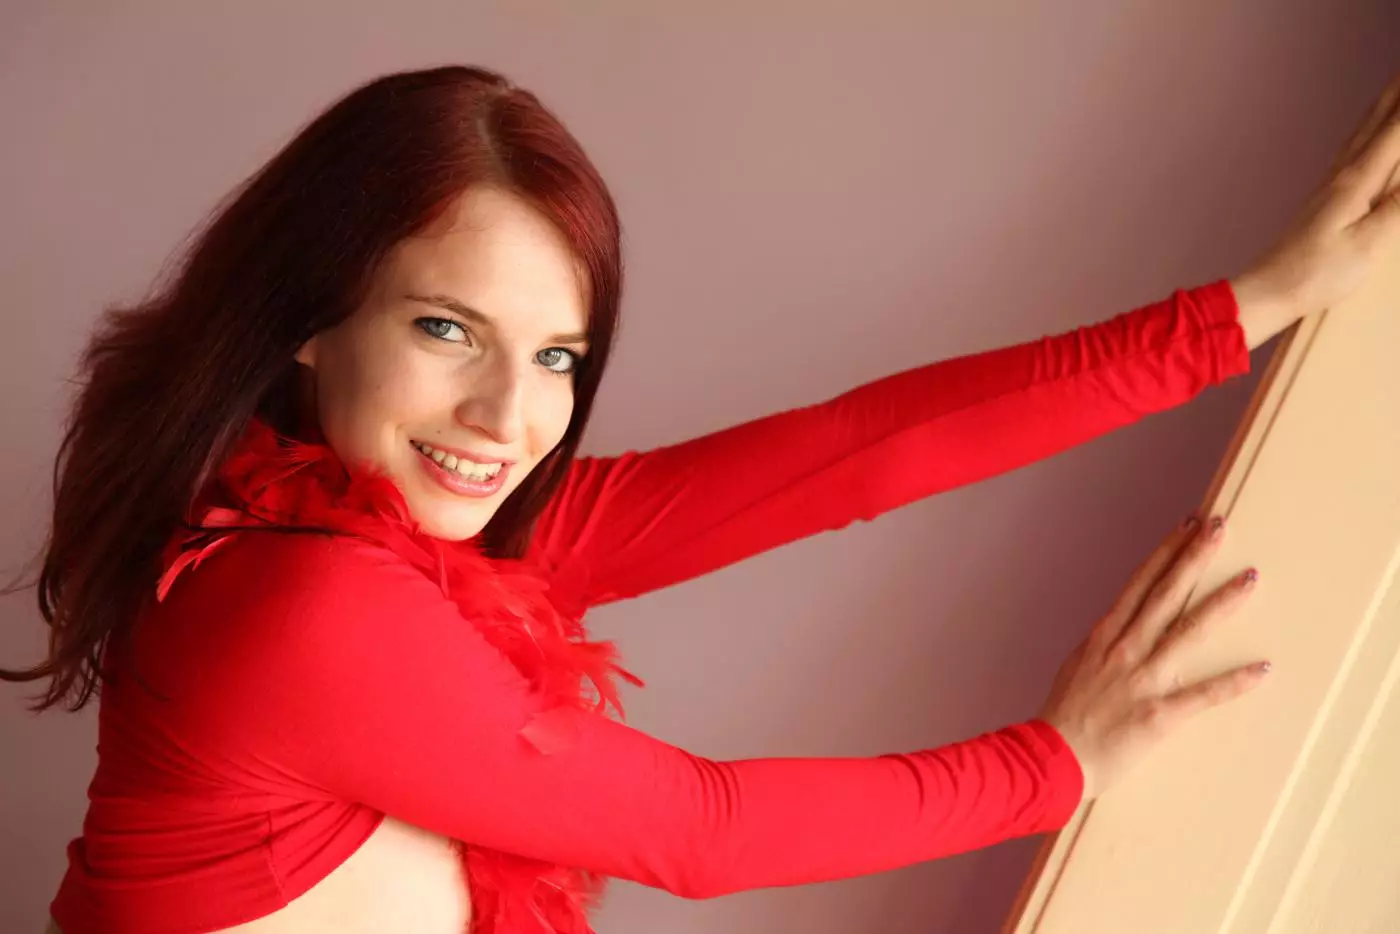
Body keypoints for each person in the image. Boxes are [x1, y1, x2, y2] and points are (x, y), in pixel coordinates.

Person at [6, 64, 1399, 934]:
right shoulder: (302, 609)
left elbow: (849, 456)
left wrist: (1255, 304)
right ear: (310, 319)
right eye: (447, 329)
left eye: (557, 357)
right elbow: (701, 829)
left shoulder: (393, 540)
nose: (507, 418)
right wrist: (1057, 765)